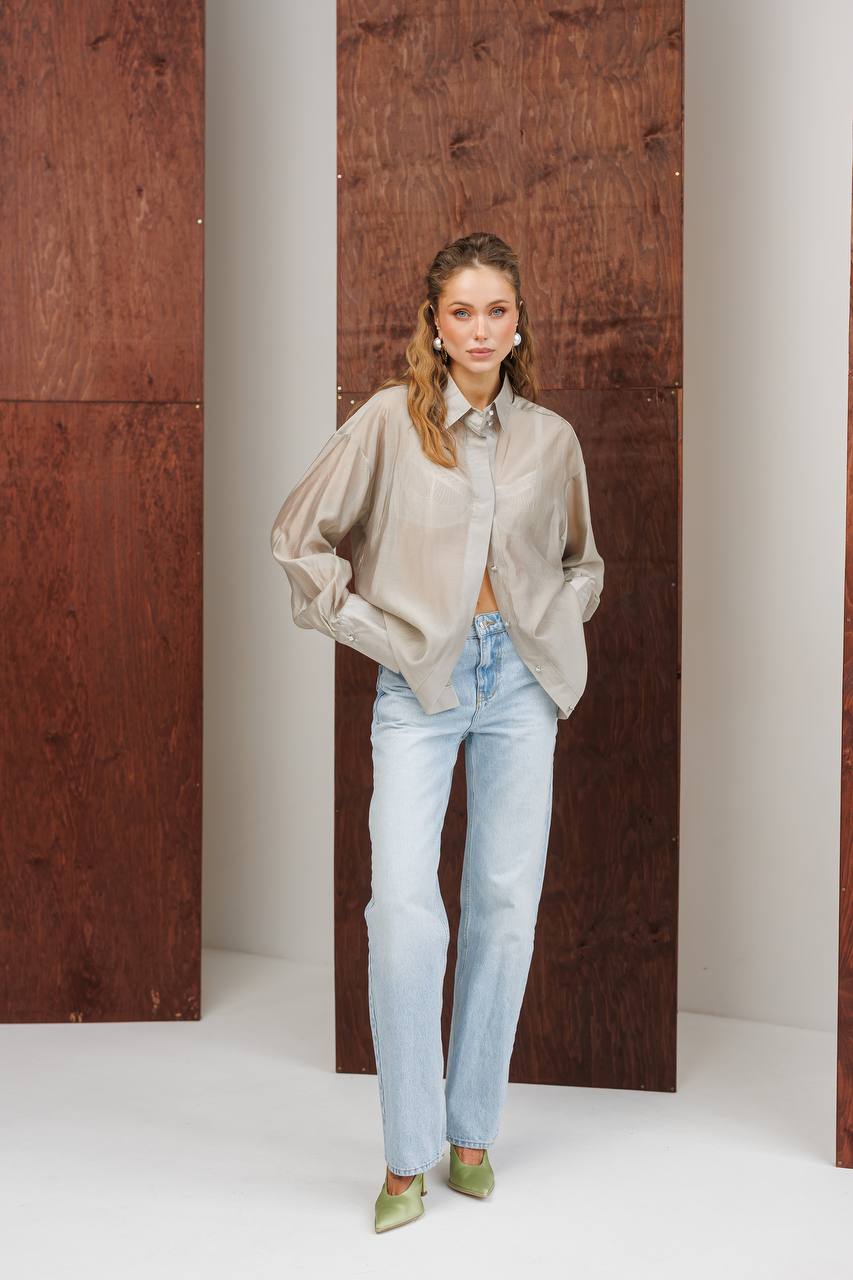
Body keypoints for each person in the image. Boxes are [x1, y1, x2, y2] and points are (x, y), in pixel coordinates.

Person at [270, 231, 604, 1233]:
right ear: (434, 322)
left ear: (518, 321)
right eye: (460, 310)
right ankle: (404, 1153)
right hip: (419, 684)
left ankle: (471, 1132)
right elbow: (300, 540)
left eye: (495, 309)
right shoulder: (385, 422)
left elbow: (584, 562)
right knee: (404, 905)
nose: (479, 329)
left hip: (520, 685)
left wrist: (552, 624)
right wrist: (387, 636)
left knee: (504, 899)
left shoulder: (550, 439)